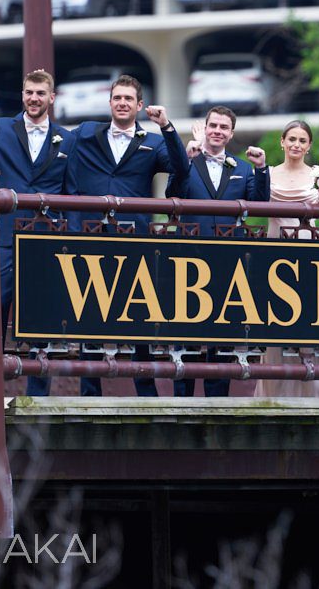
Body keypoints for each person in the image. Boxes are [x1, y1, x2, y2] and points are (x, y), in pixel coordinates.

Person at [65, 74, 190, 398]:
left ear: (139, 105)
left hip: (134, 237)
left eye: (128, 99)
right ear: (110, 103)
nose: (122, 103)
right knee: (88, 312)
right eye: (117, 98)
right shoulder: (85, 134)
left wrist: (167, 127)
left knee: (139, 314)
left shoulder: (154, 141)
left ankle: (146, 392)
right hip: (91, 236)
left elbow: (181, 168)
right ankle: (89, 394)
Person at [0, 69, 74, 397]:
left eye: (40, 93)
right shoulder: (1, 128)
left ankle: (38, 397)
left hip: (46, 240)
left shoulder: (68, 139)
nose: (33, 98)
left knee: (41, 320)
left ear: (52, 98)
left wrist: (71, 238)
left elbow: (73, 192)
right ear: (23, 95)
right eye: (28, 92)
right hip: (5, 237)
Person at [165, 105, 270, 397]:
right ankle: (182, 399)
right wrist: (185, 160)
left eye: (224, 128)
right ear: (205, 127)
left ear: (231, 133)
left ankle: (217, 399)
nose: (217, 131)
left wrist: (262, 169)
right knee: (184, 328)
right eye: (213, 126)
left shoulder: (243, 168)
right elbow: (172, 193)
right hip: (189, 256)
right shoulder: (189, 161)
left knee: (222, 329)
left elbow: (259, 202)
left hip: (227, 259)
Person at [256, 119, 319, 400]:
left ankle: (314, 389)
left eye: (302, 141)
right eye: (291, 139)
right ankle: (273, 391)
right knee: (276, 319)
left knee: (309, 320)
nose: (296, 145)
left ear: (309, 145)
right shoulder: (268, 173)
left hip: (309, 254)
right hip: (275, 254)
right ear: (282, 141)